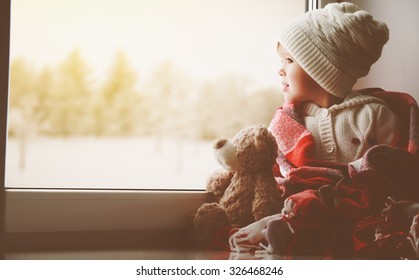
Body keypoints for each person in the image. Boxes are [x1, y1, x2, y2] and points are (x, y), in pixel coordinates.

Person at [229, 2, 404, 253]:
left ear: (322, 70)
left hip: (356, 212)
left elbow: (392, 172)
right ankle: (279, 228)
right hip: (300, 208)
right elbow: (277, 179)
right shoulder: (289, 123)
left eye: (289, 60)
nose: (280, 70)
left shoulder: (373, 115)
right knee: (297, 213)